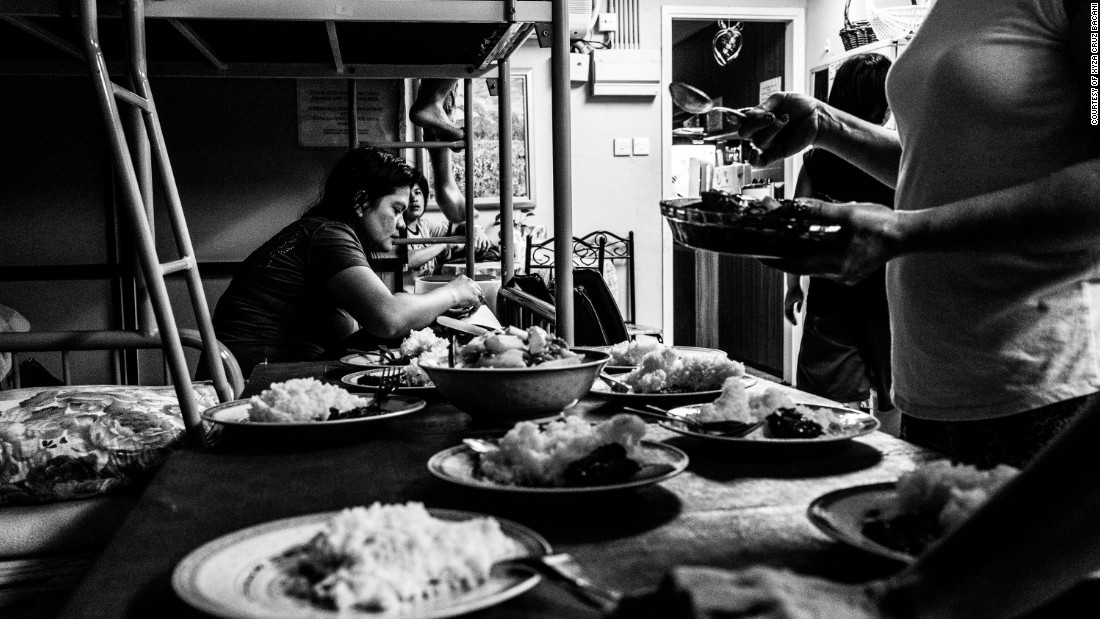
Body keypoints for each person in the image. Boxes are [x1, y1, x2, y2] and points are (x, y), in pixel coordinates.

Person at [737, 0, 1100, 469]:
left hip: (1039, 385)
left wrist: (903, 230)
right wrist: (828, 126)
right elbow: (930, 166)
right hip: (931, 383)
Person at [212, 146, 484, 377]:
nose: (401, 224)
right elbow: (387, 317)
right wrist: (452, 292)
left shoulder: (320, 230)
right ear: (361, 201)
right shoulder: (329, 234)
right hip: (256, 380)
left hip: (263, 371)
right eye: (396, 210)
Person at [784, 53, 896, 425]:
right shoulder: (900, 156)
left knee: (828, 405)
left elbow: (796, 227)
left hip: (832, 295)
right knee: (895, 397)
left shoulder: (818, 159)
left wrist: (793, 285)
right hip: (890, 296)